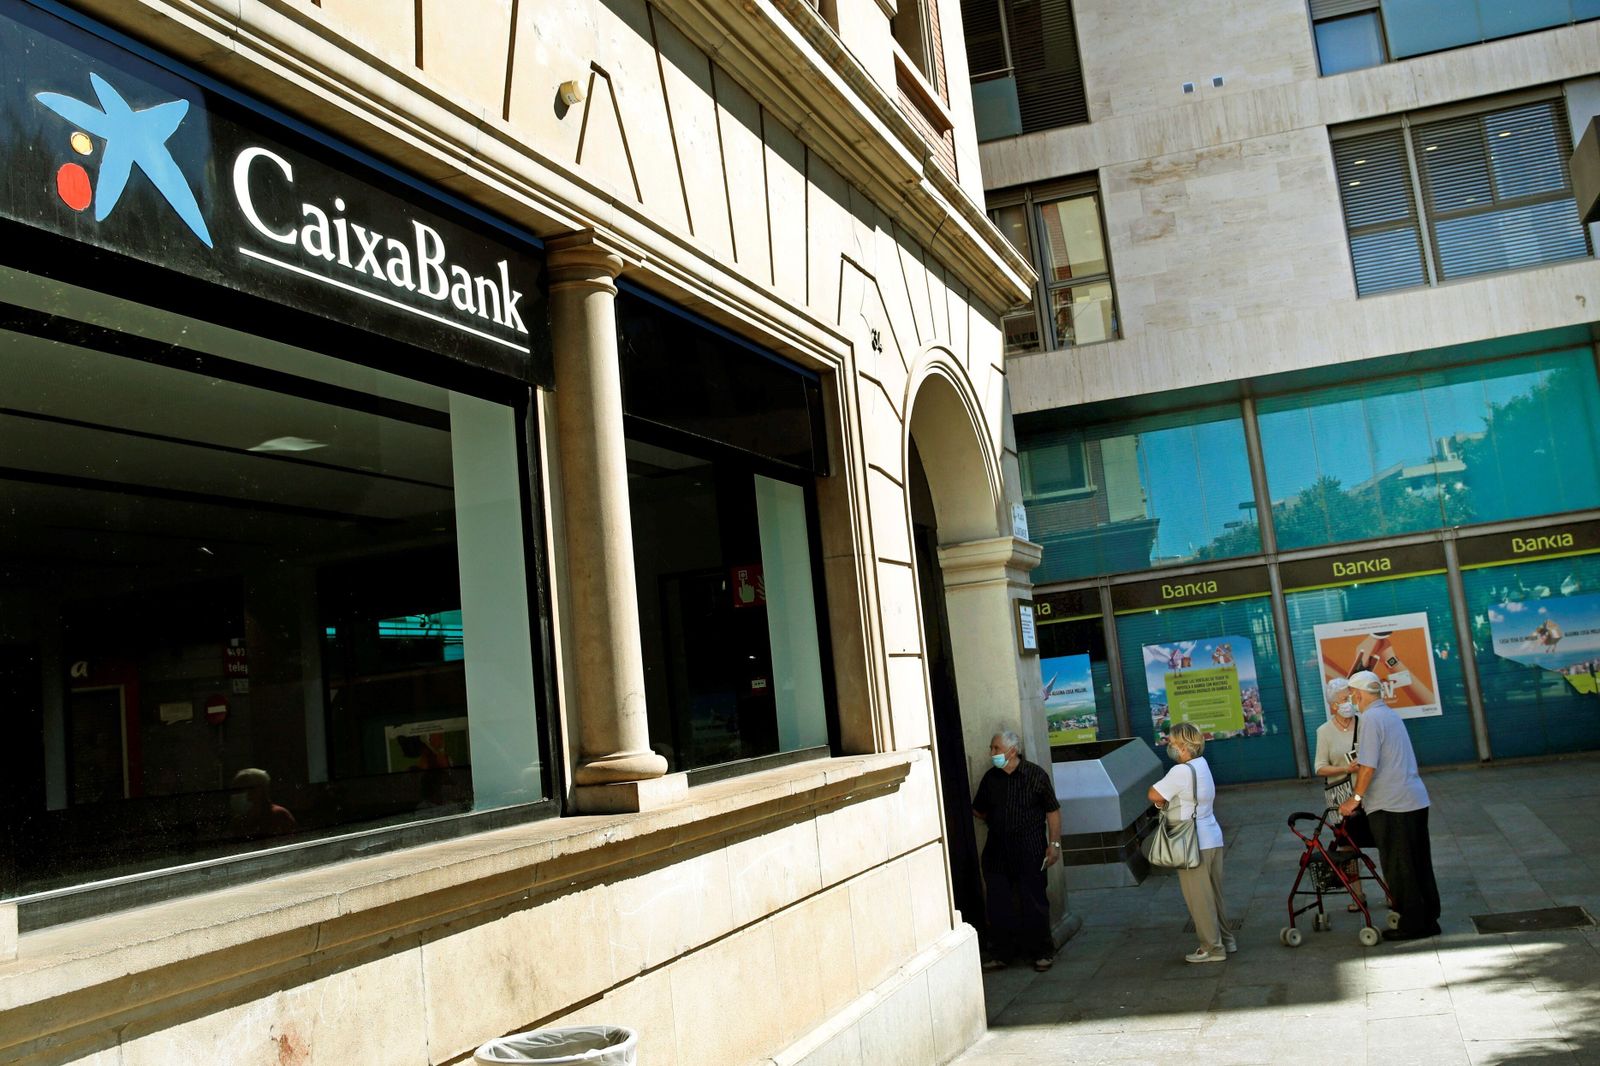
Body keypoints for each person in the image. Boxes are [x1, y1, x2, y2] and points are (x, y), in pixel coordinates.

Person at [1337, 670, 1442, 941]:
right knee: (1419, 862)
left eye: (1352, 694)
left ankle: (1412, 924)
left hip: (1392, 805)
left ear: (1359, 693)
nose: (1352, 699)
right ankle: (1429, 918)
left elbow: (1368, 766)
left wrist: (1355, 799)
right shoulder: (1391, 715)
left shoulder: (1371, 719)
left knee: (1399, 865)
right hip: (1414, 800)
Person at [972, 730, 1061, 973]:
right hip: (998, 851)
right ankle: (1002, 953)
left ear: (1012, 751)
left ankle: (1042, 952)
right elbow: (978, 809)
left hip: (1030, 849)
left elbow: (1052, 811)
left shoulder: (1034, 775)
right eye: (992, 748)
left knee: (1034, 901)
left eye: (996, 749)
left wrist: (1053, 844)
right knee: (999, 904)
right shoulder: (991, 778)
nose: (992, 753)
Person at [1148, 722, 1234, 963]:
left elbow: (1154, 794)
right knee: (1215, 895)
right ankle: (1227, 940)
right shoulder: (1202, 765)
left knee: (1199, 899)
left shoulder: (1181, 771)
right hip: (1212, 837)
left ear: (1184, 746)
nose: (1169, 747)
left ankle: (1212, 949)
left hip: (1192, 843)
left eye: (1172, 743)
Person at [1314, 677, 1368, 911]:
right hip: (1342, 798)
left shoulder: (1365, 723)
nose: (1349, 703)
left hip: (1370, 794)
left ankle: (1391, 892)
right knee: (1348, 849)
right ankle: (1358, 896)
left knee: (1382, 842)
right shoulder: (1324, 731)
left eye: (1350, 697)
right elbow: (1319, 767)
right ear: (1333, 705)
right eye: (1344, 699)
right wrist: (1346, 769)